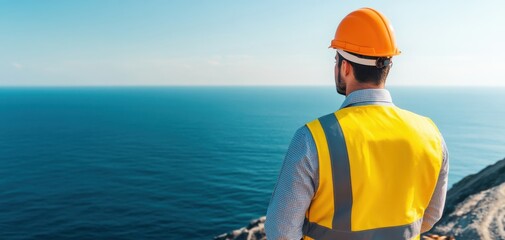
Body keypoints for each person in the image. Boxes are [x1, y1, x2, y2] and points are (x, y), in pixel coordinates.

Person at [265, 7, 449, 240]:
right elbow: (430, 217)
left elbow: (281, 232)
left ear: (345, 67)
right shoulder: (431, 134)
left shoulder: (312, 138)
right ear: (388, 66)